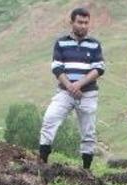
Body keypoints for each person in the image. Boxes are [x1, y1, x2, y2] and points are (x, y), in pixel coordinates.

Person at [39, 7, 105, 169]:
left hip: (87, 94)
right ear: (72, 22)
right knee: (49, 120)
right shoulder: (61, 42)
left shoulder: (94, 44)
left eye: (86, 23)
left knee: (88, 132)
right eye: (80, 22)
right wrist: (70, 86)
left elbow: (98, 68)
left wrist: (78, 84)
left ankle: (86, 170)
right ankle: (42, 163)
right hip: (64, 92)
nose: (83, 26)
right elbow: (56, 67)